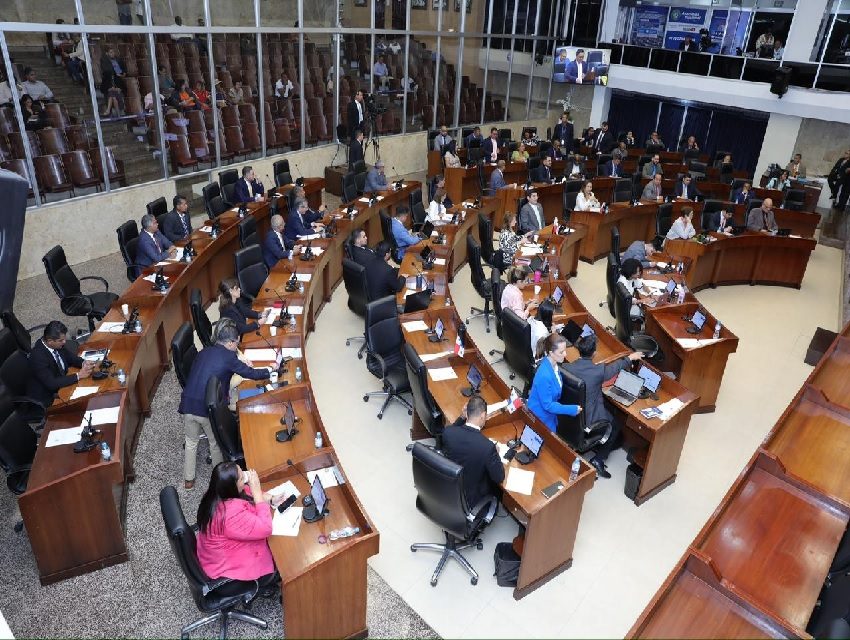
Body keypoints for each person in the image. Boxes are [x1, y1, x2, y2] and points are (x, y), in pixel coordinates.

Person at [178, 323, 270, 488]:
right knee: (215, 443)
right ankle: (220, 480)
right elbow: (249, 373)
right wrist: (269, 370)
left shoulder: (204, 351)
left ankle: (188, 479)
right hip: (205, 408)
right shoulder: (229, 357)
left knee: (191, 441)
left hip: (188, 404)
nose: (236, 347)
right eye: (236, 343)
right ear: (229, 343)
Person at [564, 333, 643, 478]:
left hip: (570, 414)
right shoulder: (598, 371)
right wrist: (630, 358)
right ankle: (599, 459)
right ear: (594, 353)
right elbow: (615, 367)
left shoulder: (567, 367)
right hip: (588, 419)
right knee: (616, 424)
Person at [195, 462, 280, 585]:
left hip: (214, 551)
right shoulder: (229, 516)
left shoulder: (217, 493)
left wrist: (270, 498)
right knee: (282, 553)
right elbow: (266, 528)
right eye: (241, 478)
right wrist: (257, 493)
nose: (246, 477)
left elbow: (246, 493)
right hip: (228, 566)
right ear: (231, 485)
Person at [440, 395, 505, 509]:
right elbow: (499, 477)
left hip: (447, 489)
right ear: (483, 415)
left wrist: (461, 417)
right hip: (470, 501)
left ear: (467, 413)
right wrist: (497, 454)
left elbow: (453, 430)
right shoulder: (488, 447)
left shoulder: (448, 433)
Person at [26, 321, 93, 410]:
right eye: (61, 340)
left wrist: (83, 362)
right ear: (50, 341)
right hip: (47, 398)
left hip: (62, 384)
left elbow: (70, 357)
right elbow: (52, 383)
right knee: (85, 406)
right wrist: (78, 375)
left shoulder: (56, 345)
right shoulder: (38, 357)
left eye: (64, 339)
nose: (64, 342)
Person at [527, 333, 582, 433]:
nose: (565, 354)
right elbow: (548, 405)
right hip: (540, 418)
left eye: (565, 350)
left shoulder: (554, 366)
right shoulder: (544, 375)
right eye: (561, 352)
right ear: (551, 353)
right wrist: (572, 409)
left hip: (549, 415)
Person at [617, 258, 646, 323]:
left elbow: (641, 283)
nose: (638, 274)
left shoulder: (631, 277)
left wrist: (650, 293)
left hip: (628, 304)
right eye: (636, 272)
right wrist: (644, 301)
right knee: (646, 313)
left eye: (639, 271)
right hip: (625, 309)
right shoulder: (623, 282)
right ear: (630, 271)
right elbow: (629, 300)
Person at [100, 47, 126, 117]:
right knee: (113, 96)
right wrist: (111, 88)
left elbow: (124, 72)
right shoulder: (105, 61)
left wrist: (121, 75)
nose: (113, 54)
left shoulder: (118, 60)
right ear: (107, 53)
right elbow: (106, 72)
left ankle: (108, 111)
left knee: (112, 95)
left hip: (118, 84)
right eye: (111, 52)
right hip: (110, 86)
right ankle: (117, 114)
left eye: (113, 52)